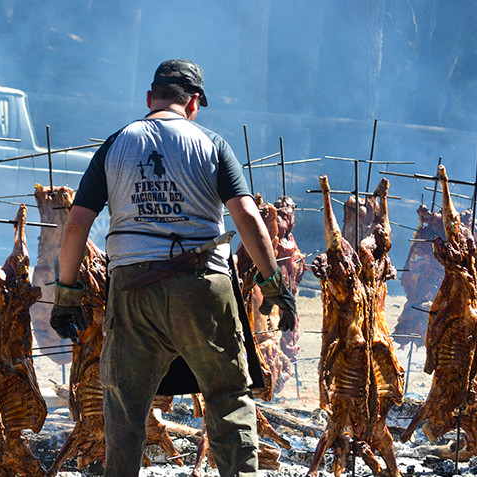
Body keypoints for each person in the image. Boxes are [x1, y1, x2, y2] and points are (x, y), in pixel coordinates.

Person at [50, 58, 297, 477]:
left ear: (150, 98)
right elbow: (249, 218)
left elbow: (75, 225)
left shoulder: (116, 144)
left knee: (125, 404)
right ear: (194, 103)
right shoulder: (211, 143)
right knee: (226, 396)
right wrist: (273, 283)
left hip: (133, 289)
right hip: (204, 285)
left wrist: (67, 296)